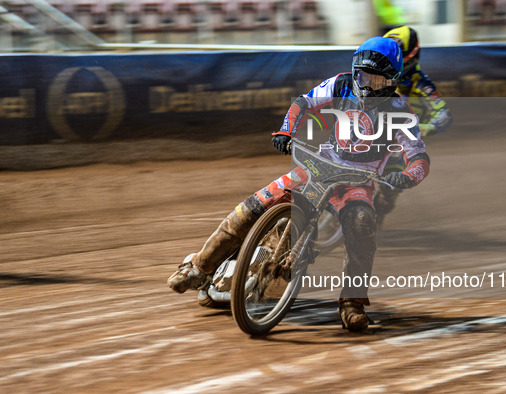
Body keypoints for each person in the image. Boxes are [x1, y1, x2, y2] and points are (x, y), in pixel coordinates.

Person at [167, 36, 431, 332]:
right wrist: (285, 131)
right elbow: (303, 102)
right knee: (253, 206)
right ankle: (198, 267)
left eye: (376, 80)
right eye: (363, 75)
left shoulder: (401, 113)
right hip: (318, 166)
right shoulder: (341, 84)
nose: (367, 84)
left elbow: (419, 158)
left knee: (362, 223)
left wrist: (406, 176)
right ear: (354, 71)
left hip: (359, 181)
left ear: (392, 81)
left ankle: (352, 303)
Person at [374, 25, 452, 228]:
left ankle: (371, 223)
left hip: (398, 144)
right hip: (368, 130)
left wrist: (427, 127)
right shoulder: (373, 74)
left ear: (412, 57)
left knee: (388, 191)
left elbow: (443, 114)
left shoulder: (420, 83)